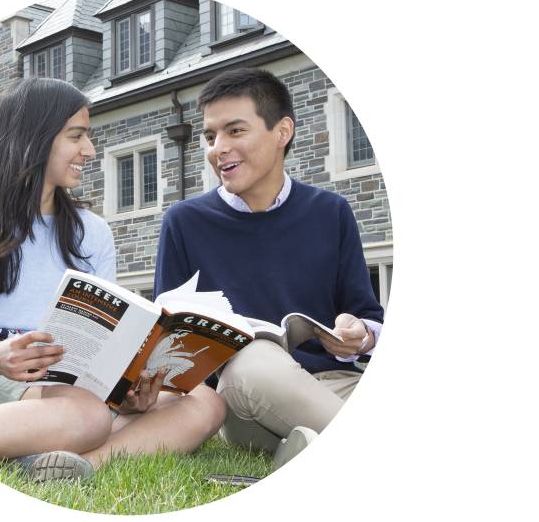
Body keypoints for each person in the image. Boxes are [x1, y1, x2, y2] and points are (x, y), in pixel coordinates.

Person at [0, 78, 226, 481]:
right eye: (76, 136)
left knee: (206, 403)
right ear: (33, 138)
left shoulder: (91, 232)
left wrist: (128, 391)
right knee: (85, 415)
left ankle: (66, 466)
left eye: (88, 137)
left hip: (68, 392)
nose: (89, 150)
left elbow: (105, 345)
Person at [153, 68, 384, 466]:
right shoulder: (184, 222)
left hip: (336, 384)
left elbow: (368, 318)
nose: (218, 148)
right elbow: (167, 339)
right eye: (210, 137)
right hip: (244, 397)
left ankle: (303, 446)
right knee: (254, 360)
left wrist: (360, 336)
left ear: (282, 132)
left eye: (235, 131)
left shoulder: (332, 212)